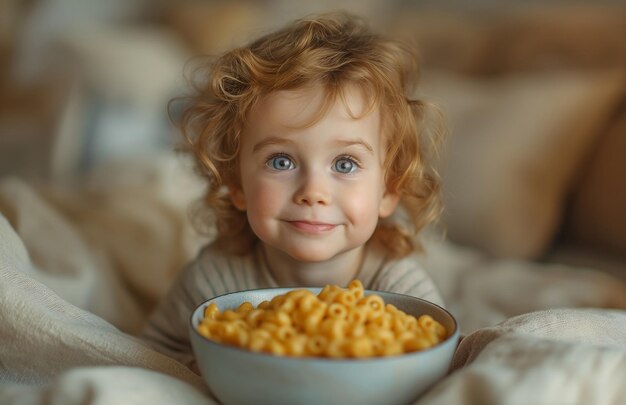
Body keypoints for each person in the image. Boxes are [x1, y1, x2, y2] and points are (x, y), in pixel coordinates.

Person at [142, 11, 446, 368]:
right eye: (281, 162)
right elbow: (157, 353)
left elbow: (435, 361)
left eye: (344, 164)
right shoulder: (215, 280)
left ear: (389, 191)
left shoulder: (399, 288)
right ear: (236, 184)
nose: (313, 192)